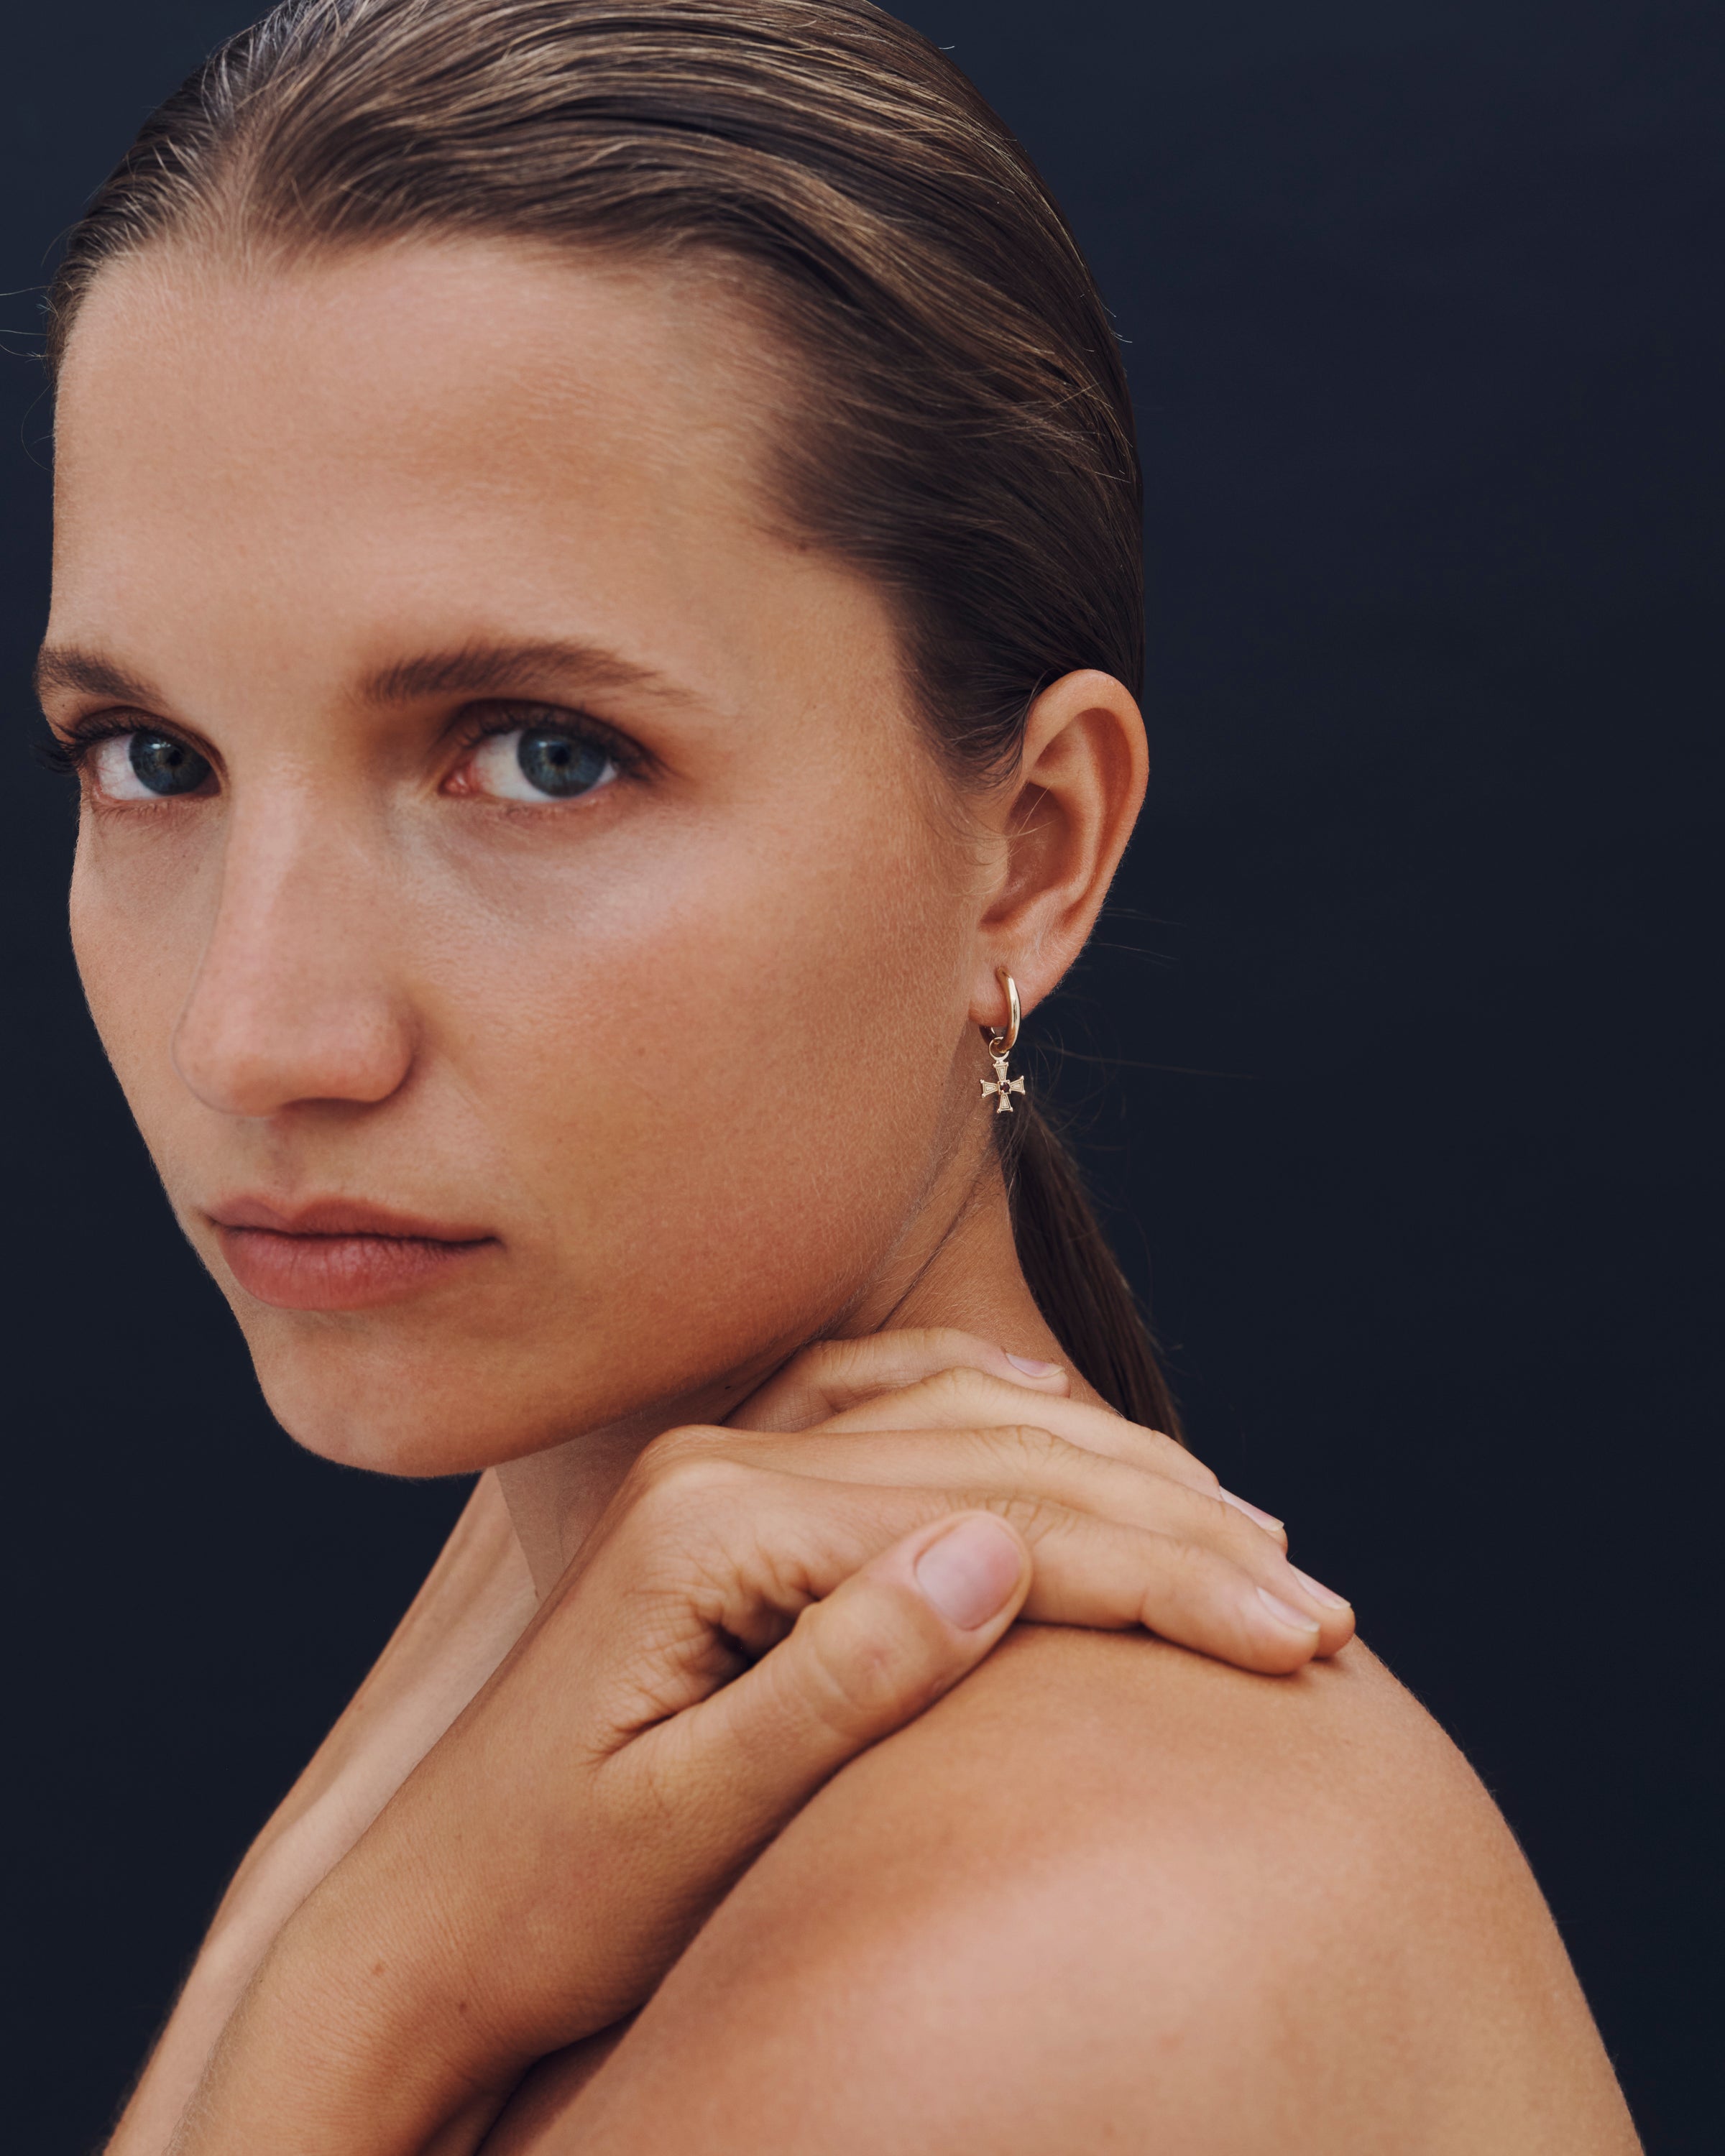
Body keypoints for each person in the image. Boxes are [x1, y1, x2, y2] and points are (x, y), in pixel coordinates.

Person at [40, 1, 1638, 2148]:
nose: (258, 1033)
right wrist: (342, 1936)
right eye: (155, 761)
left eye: (542, 755)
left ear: (1030, 851)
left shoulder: (1026, 1954)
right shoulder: (549, 1647)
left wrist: (354, 1983)